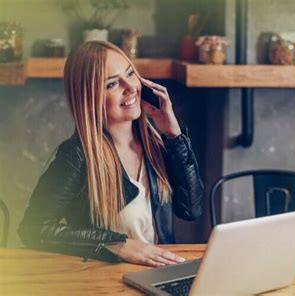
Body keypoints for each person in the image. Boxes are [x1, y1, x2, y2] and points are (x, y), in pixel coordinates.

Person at [18, 41, 203, 267]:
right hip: (104, 279)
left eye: (130, 74)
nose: (130, 86)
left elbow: (191, 209)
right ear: (90, 98)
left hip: (159, 275)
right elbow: (33, 229)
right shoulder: (77, 155)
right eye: (112, 84)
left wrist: (174, 136)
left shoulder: (157, 145)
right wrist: (116, 244)